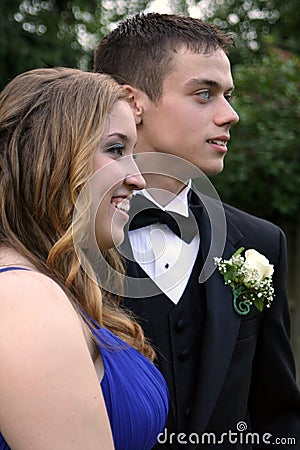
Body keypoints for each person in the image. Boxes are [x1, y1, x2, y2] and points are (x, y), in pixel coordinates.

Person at [94, 13, 300, 449]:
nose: (231, 115)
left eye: (228, 95)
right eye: (204, 94)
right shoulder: (59, 240)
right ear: (134, 103)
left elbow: (277, 415)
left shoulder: (262, 243)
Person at [0, 67, 169, 450]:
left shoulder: (44, 286)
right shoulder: (21, 300)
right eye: (115, 149)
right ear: (52, 159)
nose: (138, 178)